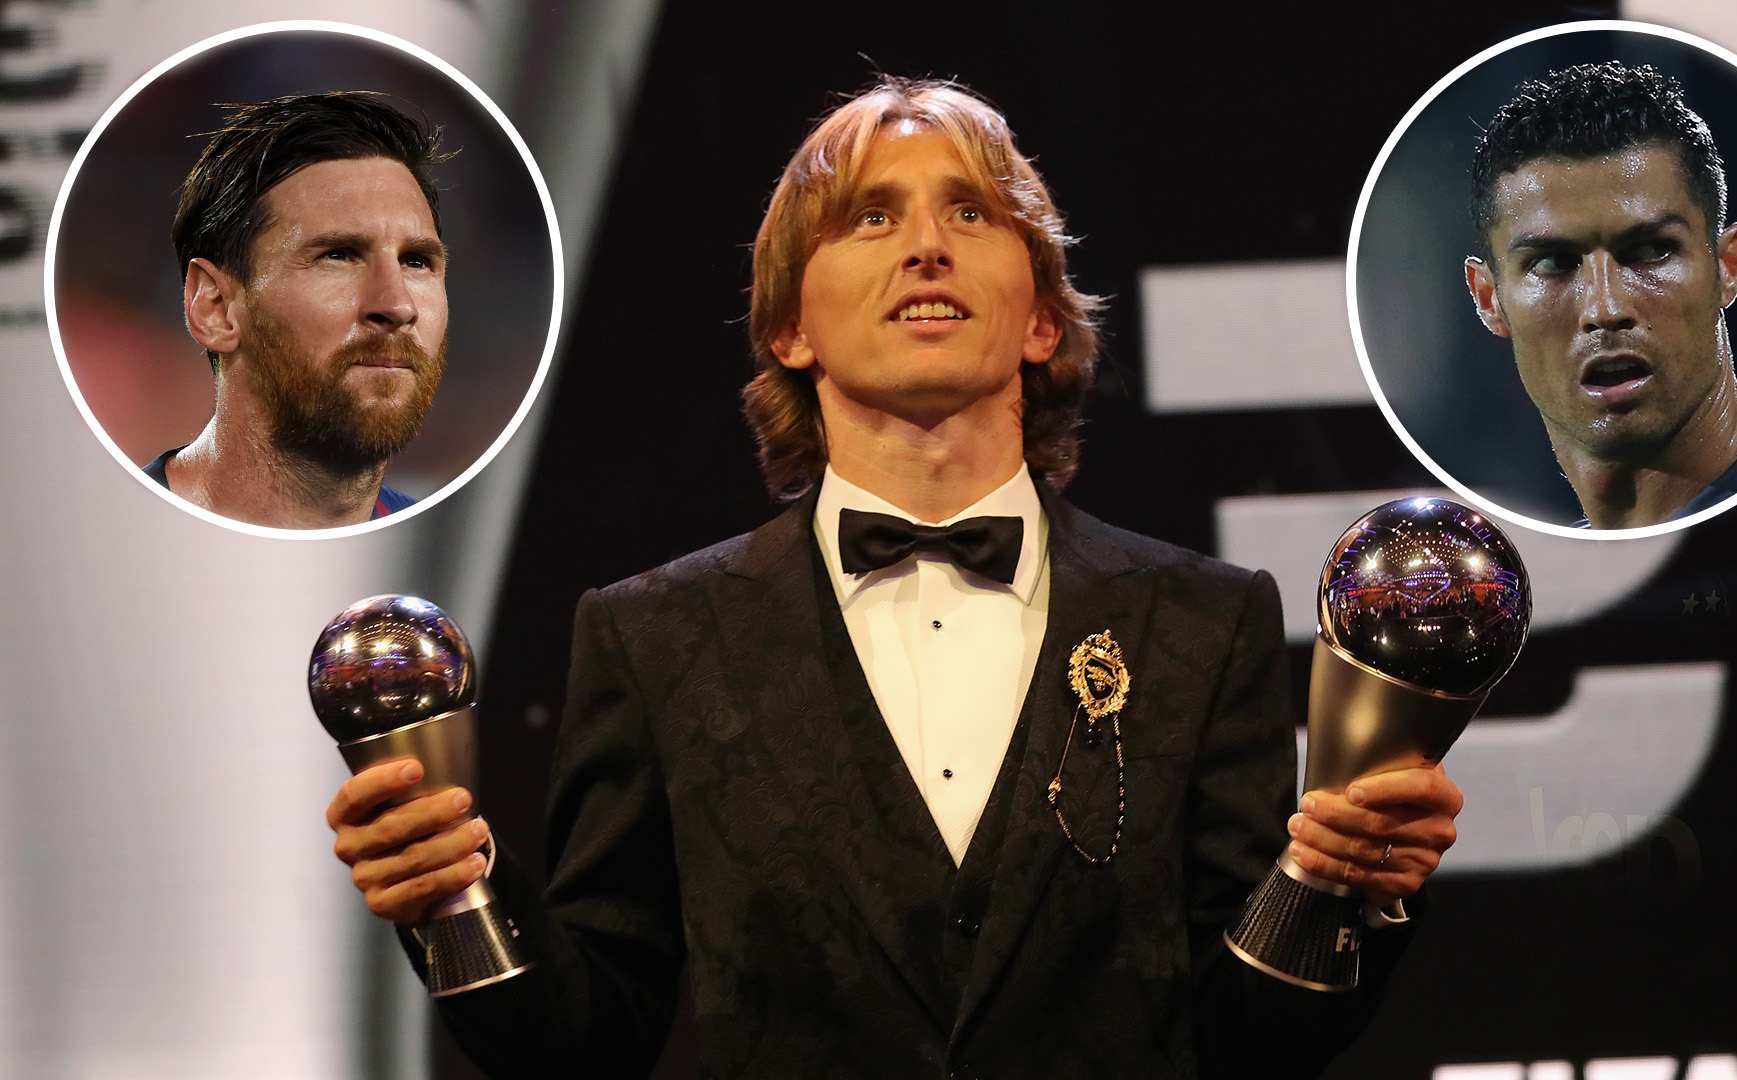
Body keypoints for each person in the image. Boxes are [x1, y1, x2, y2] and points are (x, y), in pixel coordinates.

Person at [328, 78, 1464, 1077]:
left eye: (969, 213)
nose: (927, 246)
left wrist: (1345, 888)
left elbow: (1252, 1040)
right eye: (872, 217)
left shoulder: (1205, 621)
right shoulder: (652, 637)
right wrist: (451, 901)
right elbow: (589, 1037)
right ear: (788, 327)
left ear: (1039, 317)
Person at [1463, 61, 1737, 529]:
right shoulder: (1553, 590)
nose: (1606, 308)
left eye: (1651, 252)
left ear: (1728, 266)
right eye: (1555, 263)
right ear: (1488, 298)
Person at [153, 92, 450, 528]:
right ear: (215, 308)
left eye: (416, 261)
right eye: (338, 255)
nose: (398, 305)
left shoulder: (453, 563)